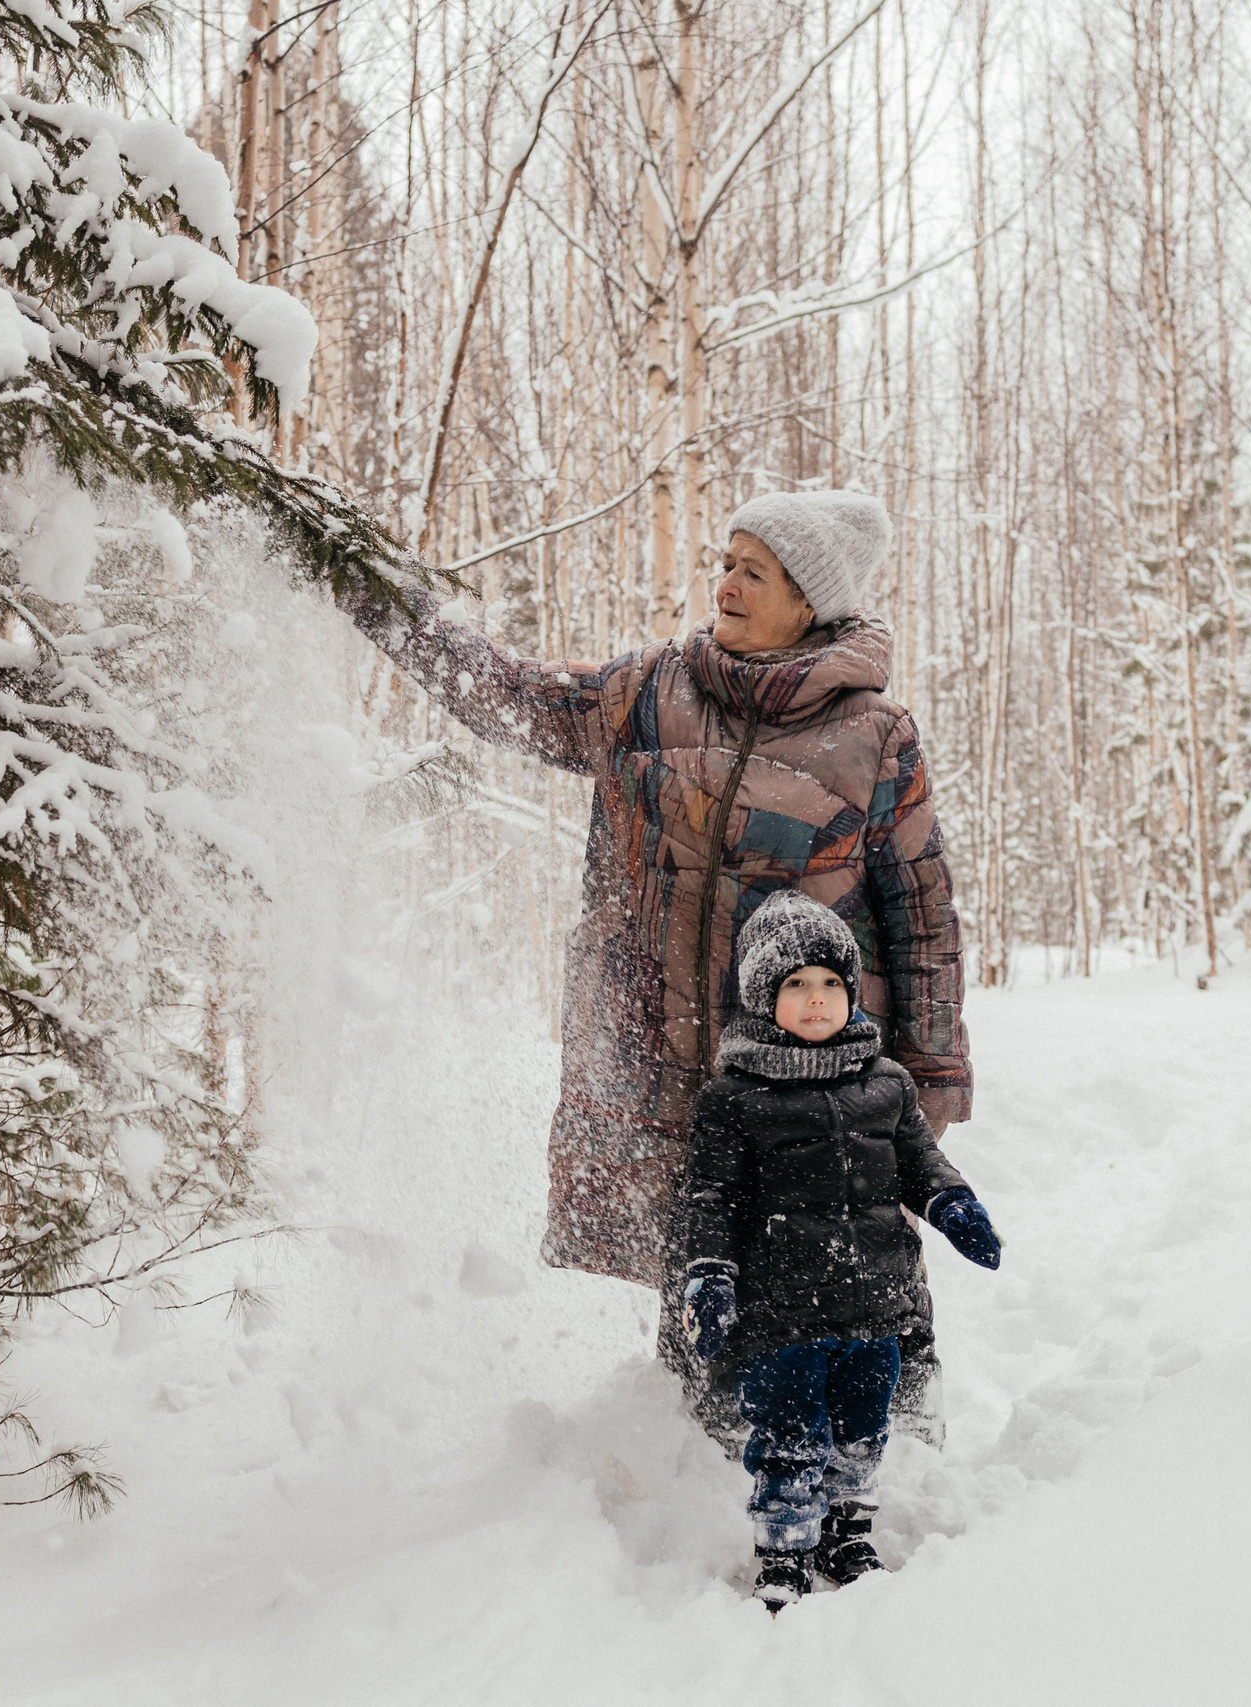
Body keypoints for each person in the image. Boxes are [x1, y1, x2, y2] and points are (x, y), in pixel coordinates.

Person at [336, 489, 971, 1437]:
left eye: (753, 571)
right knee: (702, 1311)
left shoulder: (876, 738)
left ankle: (893, 1480)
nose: (724, 583)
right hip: (671, 1067)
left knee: (852, 1290)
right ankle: (704, 1502)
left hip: (820, 1077)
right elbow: (504, 692)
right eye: (725, 560)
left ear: (811, 600)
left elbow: (920, 914)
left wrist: (929, 1077)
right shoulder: (646, 696)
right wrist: (375, 598)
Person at [673, 890, 1002, 1610]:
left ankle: (846, 1531)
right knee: (789, 1435)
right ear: (764, 997)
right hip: (781, 1314)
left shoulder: (886, 1083)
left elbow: (920, 1162)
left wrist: (954, 1203)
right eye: (796, 985)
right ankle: (784, 1548)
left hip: (874, 1303)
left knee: (862, 1428)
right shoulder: (734, 1098)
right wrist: (709, 1275)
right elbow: (711, 1199)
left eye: (830, 983)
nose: (817, 999)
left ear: (851, 992)